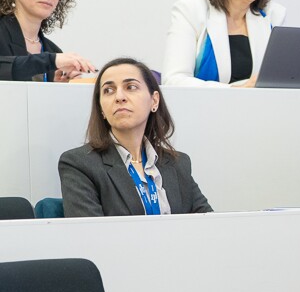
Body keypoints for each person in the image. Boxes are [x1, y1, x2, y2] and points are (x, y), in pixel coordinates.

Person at [59, 57, 212, 216]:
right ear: (101, 108)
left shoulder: (178, 164)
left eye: (131, 87)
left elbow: (209, 224)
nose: (119, 97)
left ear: (154, 101)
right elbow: (90, 230)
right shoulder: (79, 164)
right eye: (109, 90)